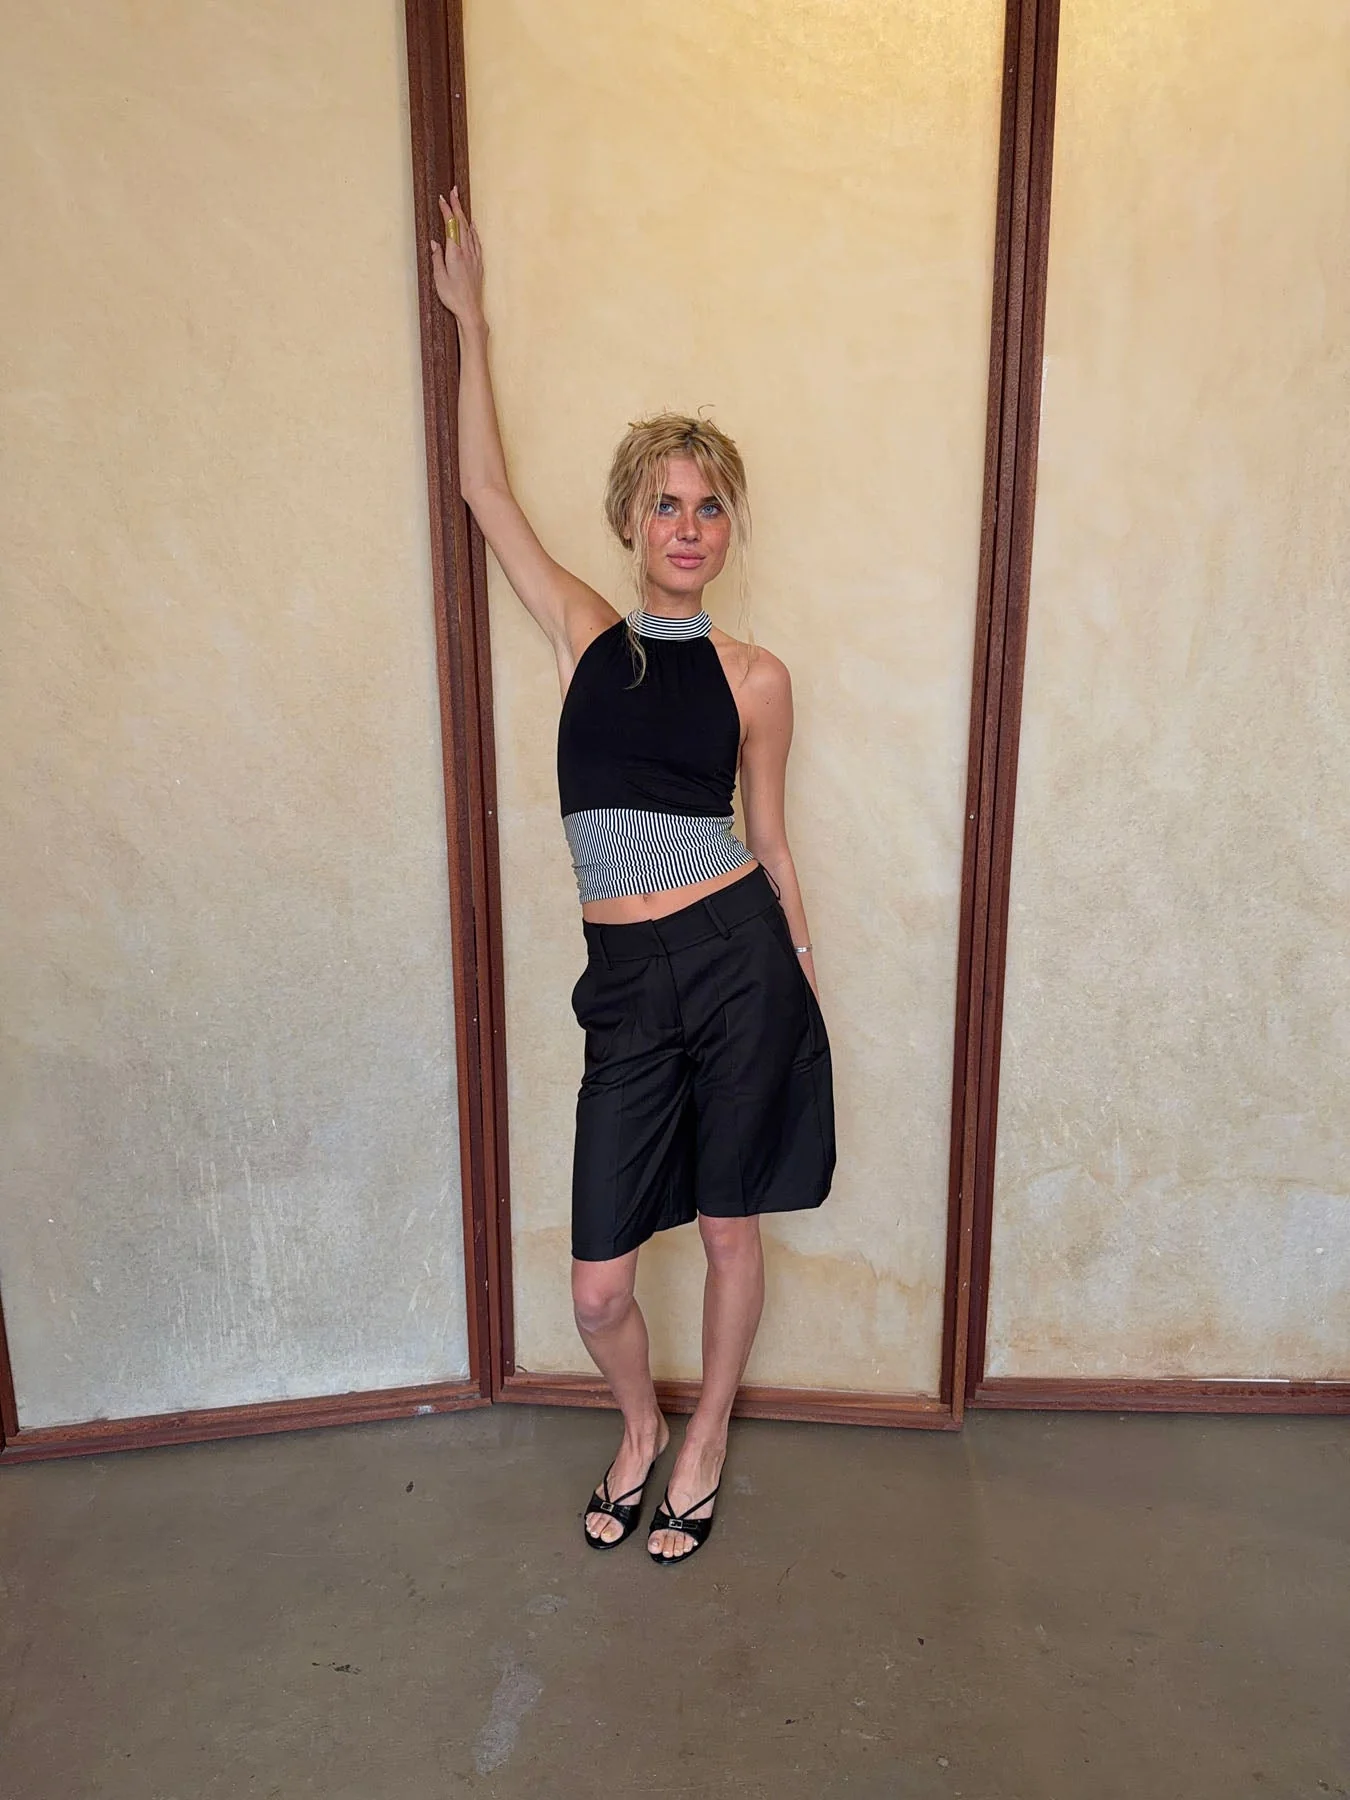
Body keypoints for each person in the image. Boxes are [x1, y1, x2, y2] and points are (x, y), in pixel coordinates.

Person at [429, 187, 835, 1566]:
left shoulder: (756, 677)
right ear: (629, 519)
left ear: (727, 531)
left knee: (726, 1229)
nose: (687, 525)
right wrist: (473, 323)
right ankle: (639, 1420)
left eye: (709, 508)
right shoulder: (586, 637)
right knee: (600, 1283)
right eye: (666, 503)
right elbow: (485, 494)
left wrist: (801, 980)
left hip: (735, 963)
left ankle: (705, 1431)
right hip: (624, 980)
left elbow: (769, 839)